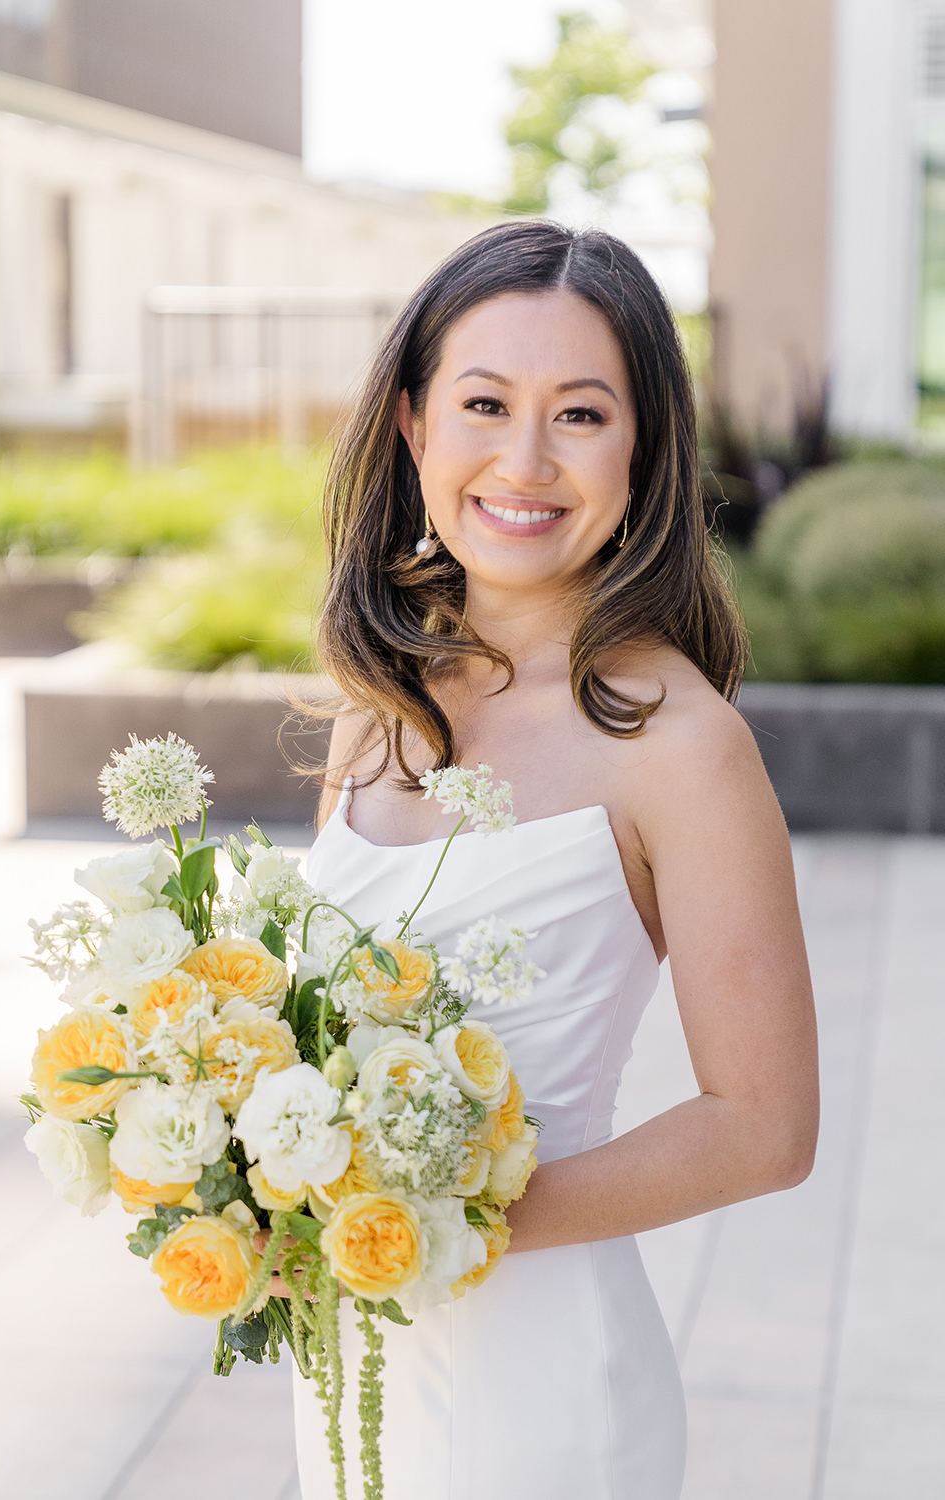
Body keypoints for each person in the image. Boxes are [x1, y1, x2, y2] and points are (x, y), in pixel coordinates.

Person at [291, 220, 819, 1500]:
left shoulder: (677, 741)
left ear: (641, 453)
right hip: (350, 1351)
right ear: (413, 428)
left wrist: (437, 1219)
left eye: (580, 415)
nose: (523, 460)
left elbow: (764, 1129)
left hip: (536, 1375)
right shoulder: (386, 694)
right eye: (484, 403)